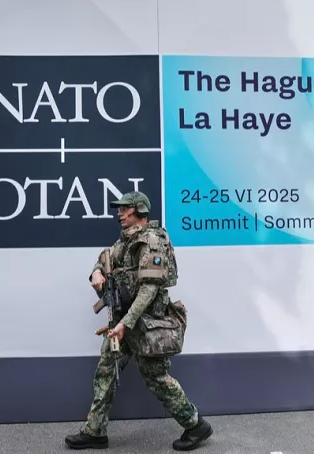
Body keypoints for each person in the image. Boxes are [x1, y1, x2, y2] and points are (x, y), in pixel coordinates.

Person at [64, 191, 213, 451]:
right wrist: (98, 272)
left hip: (146, 325)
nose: (119, 213)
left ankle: (195, 425)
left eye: (125, 209)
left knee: (156, 378)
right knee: (106, 370)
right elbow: (105, 257)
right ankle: (95, 430)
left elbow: (149, 290)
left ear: (140, 211)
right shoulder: (126, 240)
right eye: (119, 209)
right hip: (124, 322)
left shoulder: (151, 241)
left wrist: (125, 324)